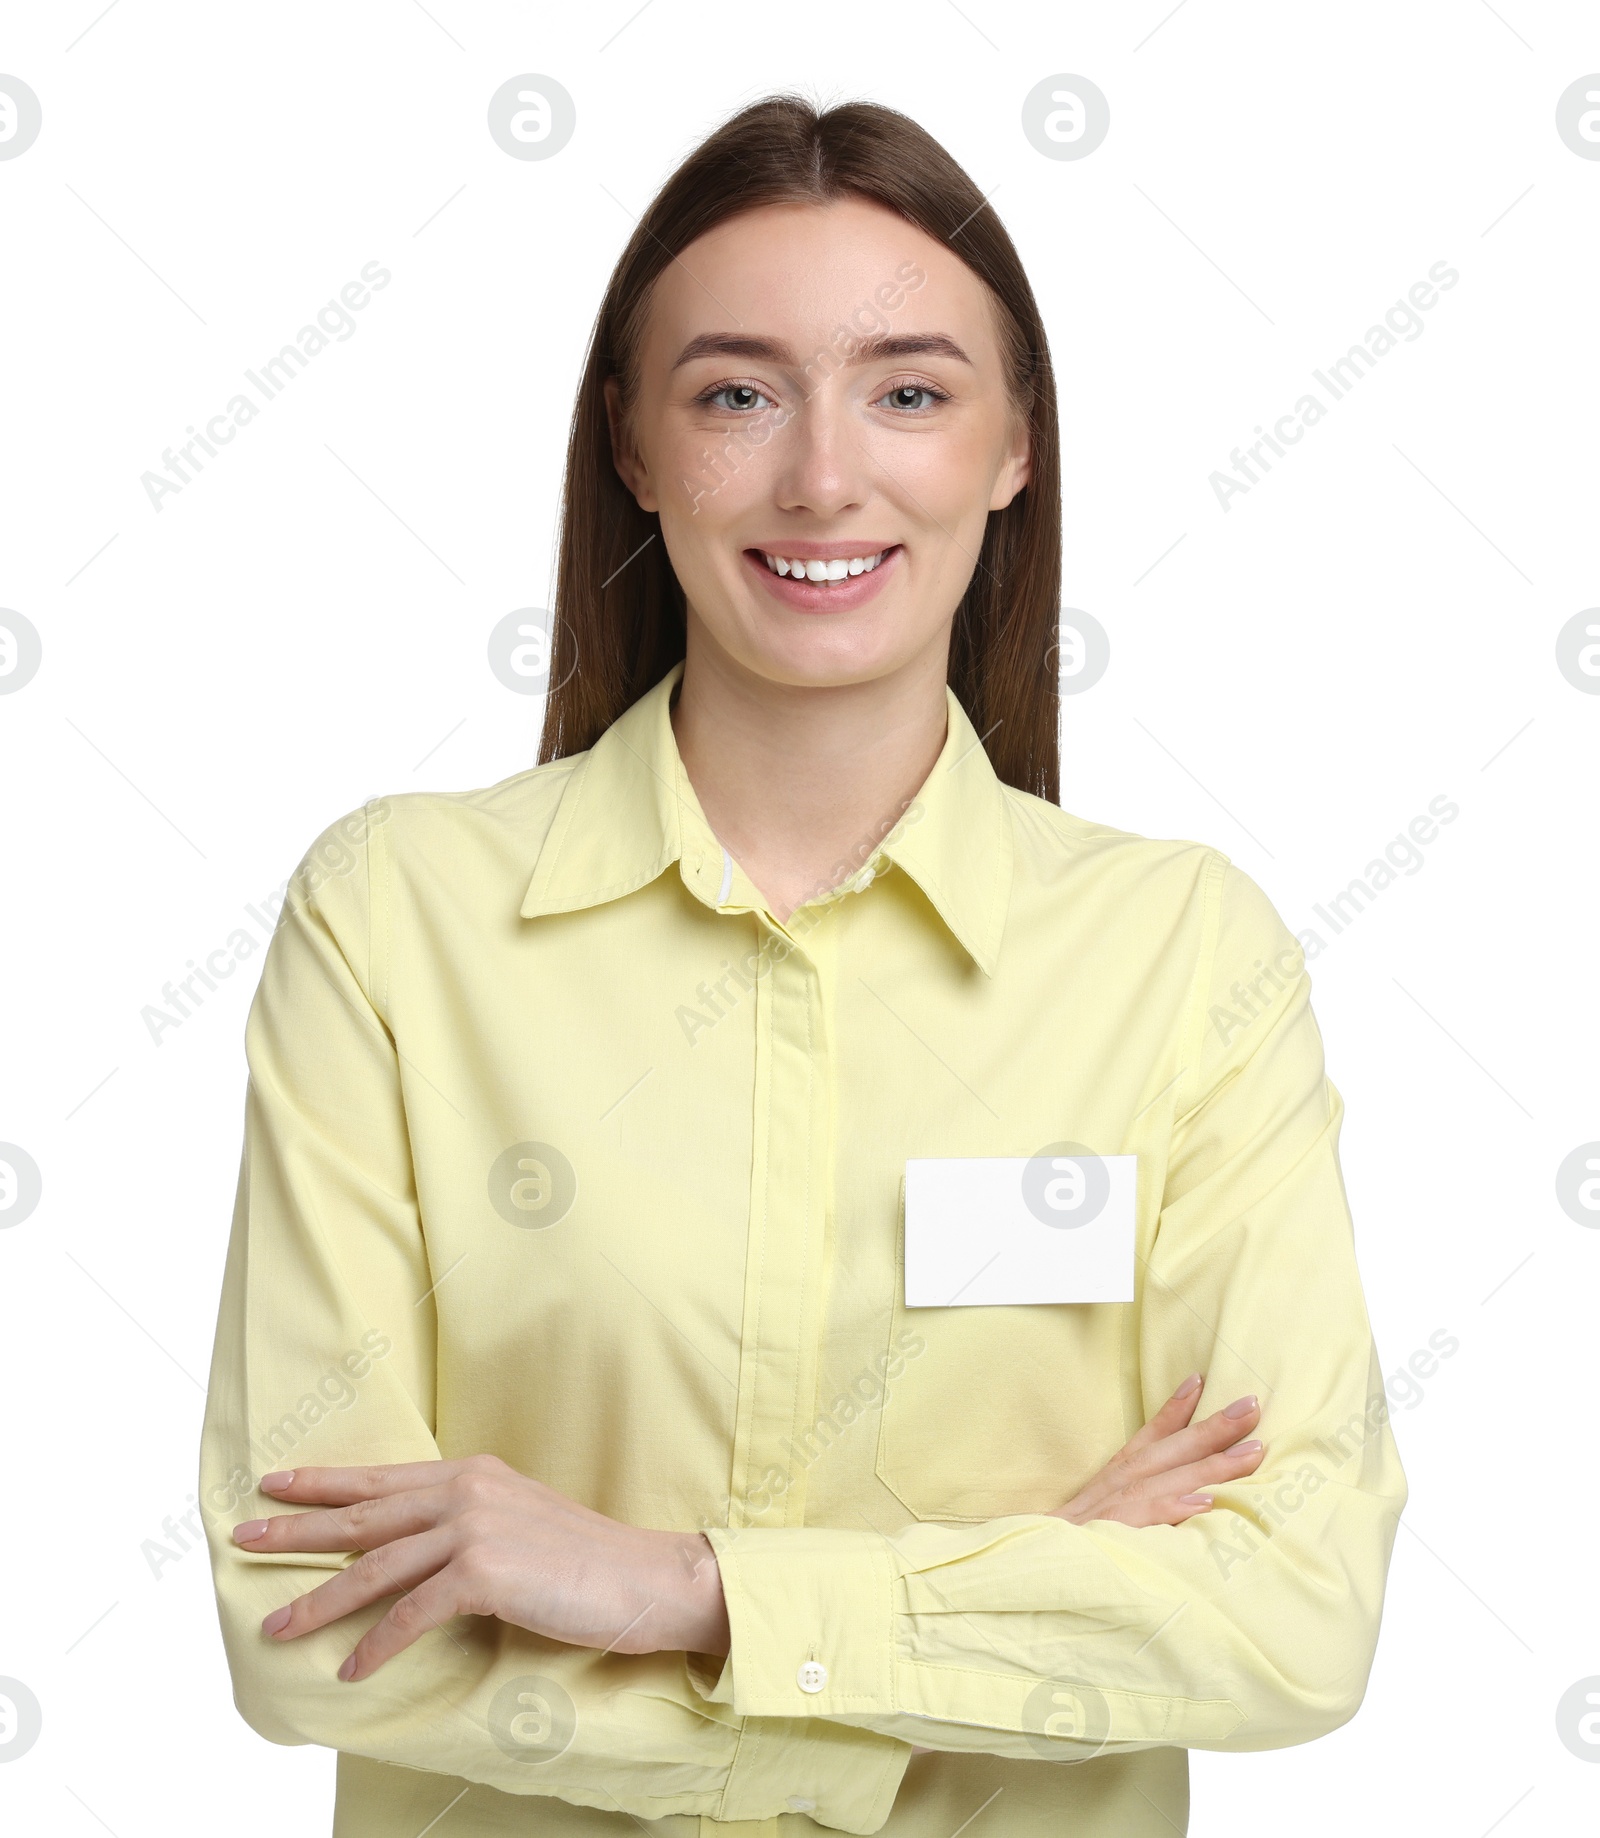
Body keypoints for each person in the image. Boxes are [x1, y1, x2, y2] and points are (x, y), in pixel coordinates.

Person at [199, 94, 1406, 1838]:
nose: (824, 476)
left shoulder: (1183, 955)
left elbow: (1294, 1616)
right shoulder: (396, 921)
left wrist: (686, 1590)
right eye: (737, 393)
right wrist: (1013, 1609)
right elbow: (307, 1633)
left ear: (1015, 447)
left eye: (909, 390)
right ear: (631, 441)